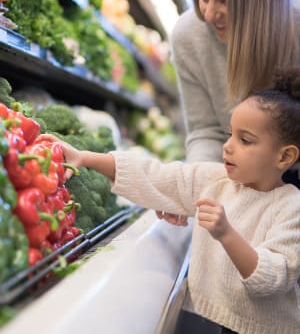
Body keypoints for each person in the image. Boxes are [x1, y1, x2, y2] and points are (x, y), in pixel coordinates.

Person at [40, 67, 300, 334]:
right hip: (218, 322)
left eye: (245, 140)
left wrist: (226, 234)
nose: (228, 146)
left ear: (284, 157)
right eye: (229, 134)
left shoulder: (291, 207)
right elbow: (157, 177)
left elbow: (273, 278)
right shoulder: (217, 179)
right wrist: (85, 158)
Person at [157, 0, 300, 227]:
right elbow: (206, 130)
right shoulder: (188, 36)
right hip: (234, 189)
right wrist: (194, 189)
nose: (209, 13)